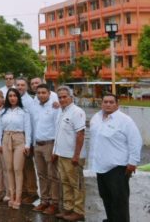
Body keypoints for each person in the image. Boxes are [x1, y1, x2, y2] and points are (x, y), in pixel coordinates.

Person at [89, 93, 142, 222]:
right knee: (106, 197)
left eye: (111, 102)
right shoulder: (96, 118)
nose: (108, 104)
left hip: (118, 168)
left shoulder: (125, 120)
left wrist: (132, 162)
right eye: (105, 102)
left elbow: (135, 141)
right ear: (101, 103)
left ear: (117, 104)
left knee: (119, 201)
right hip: (100, 167)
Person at [51, 86, 87, 221]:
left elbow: (80, 134)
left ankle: (79, 211)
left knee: (76, 184)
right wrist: (55, 152)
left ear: (71, 97)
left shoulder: (77, 112)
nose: (62, 99)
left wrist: (76, 155)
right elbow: (59, 134)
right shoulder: (62, 111)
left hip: (73, 157)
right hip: (61, 155)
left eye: (65, 96)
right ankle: (68, 209)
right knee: (65, 183)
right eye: (59, 97)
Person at [0, 88, 32, 210]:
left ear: (18, 97)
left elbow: (28, 129)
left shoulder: (24, 112)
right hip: (6, 138)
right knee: (9, 169)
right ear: (7, 98)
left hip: (19, 139)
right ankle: (11, 195)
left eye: (14, 96)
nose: (12, 98)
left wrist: (27, 144)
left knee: (17, 169)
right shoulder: (3, 112)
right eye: (10, 96)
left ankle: (18, 197)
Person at [30, 84, 61, 216]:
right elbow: (33, 125)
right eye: (39, 93)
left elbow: (58, 128)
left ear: (49, 93)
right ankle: (44, 200)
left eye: (44, 92)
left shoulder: (55, 107)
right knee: (41, 175)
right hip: (37, 145)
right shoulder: (35, 106)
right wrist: (31, 144)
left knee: (52, 175)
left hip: (50, 144)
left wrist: (56, 148)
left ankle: (55, 203)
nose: (41, 95)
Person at [15, 77, 40, 205]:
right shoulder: (15, 98)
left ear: (26, 87)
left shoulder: (29, 101)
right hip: (17, 136)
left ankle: (32, 192)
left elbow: (30, 122)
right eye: (18, 85)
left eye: (22, 85)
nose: (20, 87)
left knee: (28, 167)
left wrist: (29, 142)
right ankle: (24, 190)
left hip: (27, 137)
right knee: (21, 166)